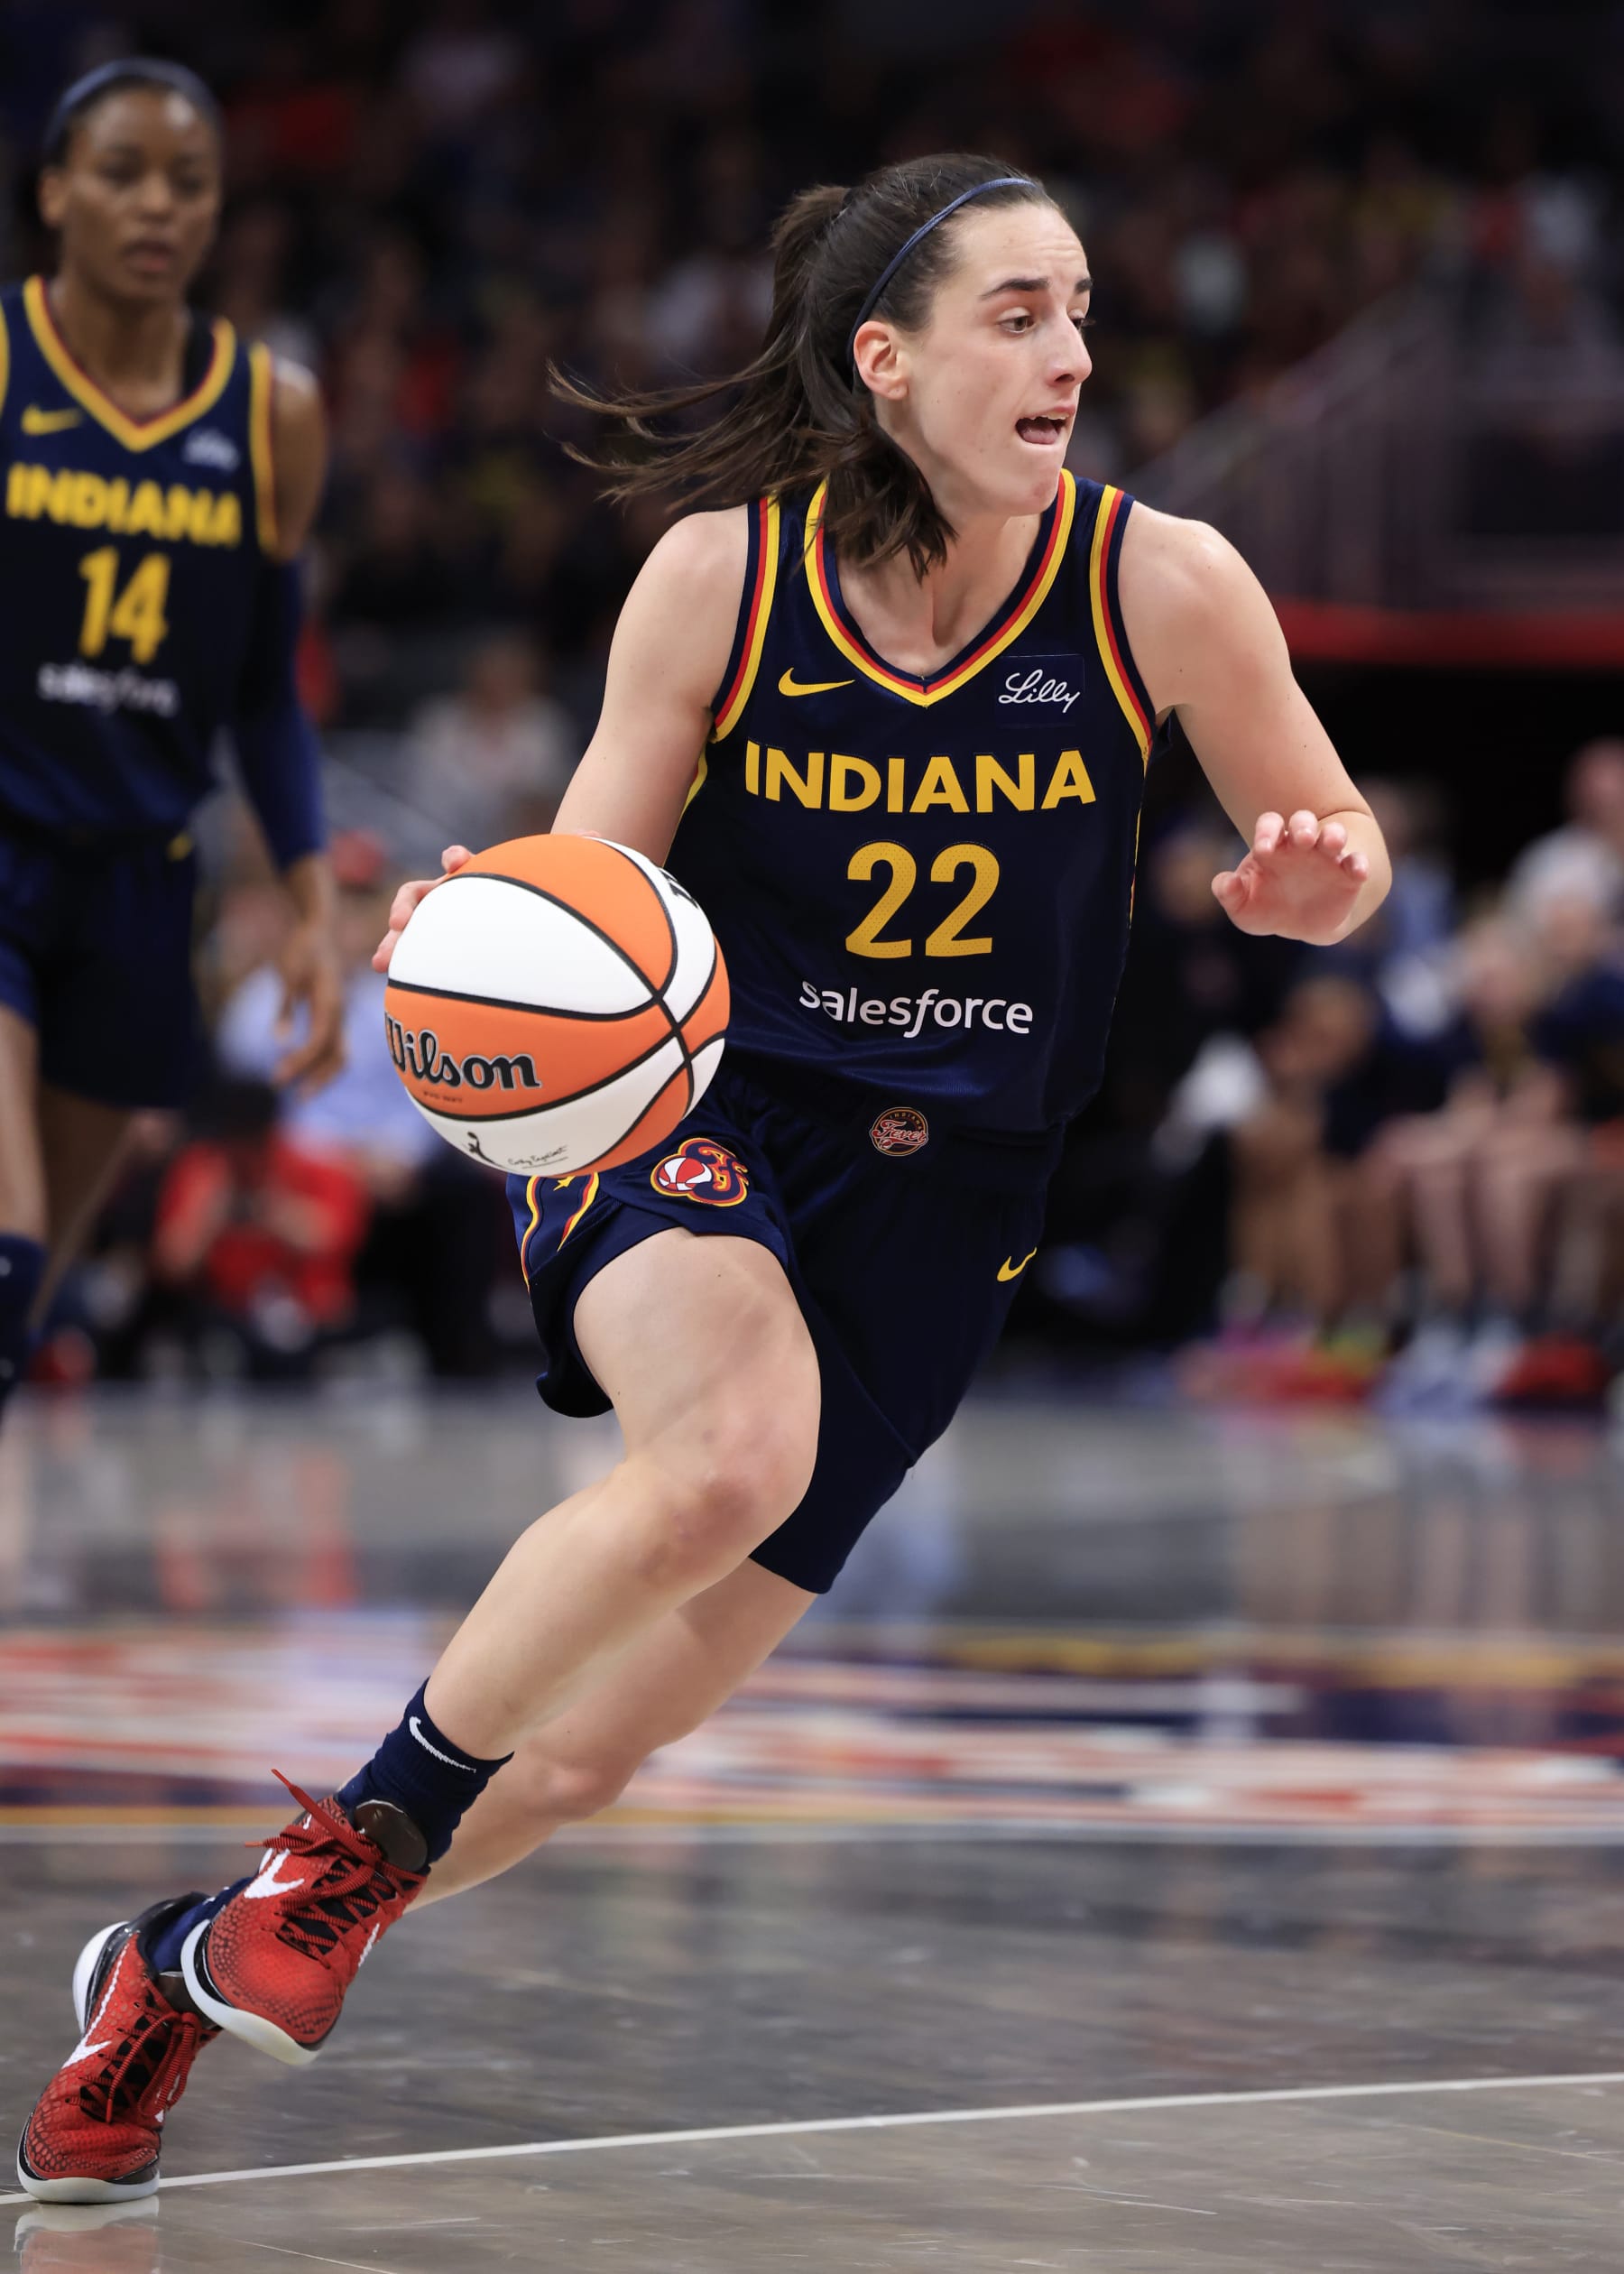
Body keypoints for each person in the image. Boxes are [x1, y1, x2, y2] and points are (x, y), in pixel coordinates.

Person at [17, 152, 1389, 2202]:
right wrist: (490, 924)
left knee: (578, 1757)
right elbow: (598, 892)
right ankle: (332, 1874)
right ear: (886, 358)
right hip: (685, 1114)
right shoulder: (720, 580)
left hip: (958, 1194)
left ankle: (183, 1964)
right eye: (1018, 314)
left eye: (1082, 310)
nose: (1073, 352)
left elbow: (1335, 844)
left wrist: (1318, 880)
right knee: (731, 1455)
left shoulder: (1160, 581)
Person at [0, 57, 342, 1451]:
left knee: (23, 1310)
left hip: (144, 886)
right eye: (124, 172)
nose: (158, 204)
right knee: (3, 1248)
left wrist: (314, 902)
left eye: (189, 182)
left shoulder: (275, 414)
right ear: (54, 193)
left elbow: (264, 695)